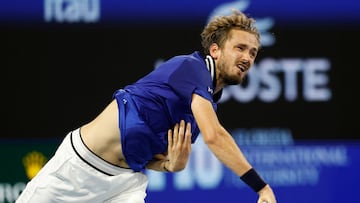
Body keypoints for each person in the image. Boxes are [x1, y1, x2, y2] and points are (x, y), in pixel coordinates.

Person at [16, 10, 277, 203]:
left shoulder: (201, 111)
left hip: (125, 185)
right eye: (240, 48)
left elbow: (152, 158)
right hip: (77, 170)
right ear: (215, 50)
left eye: (253, 52)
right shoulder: (192, 68)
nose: (247, 57)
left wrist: (168, 166)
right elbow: (215, 136)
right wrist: (261, 187)